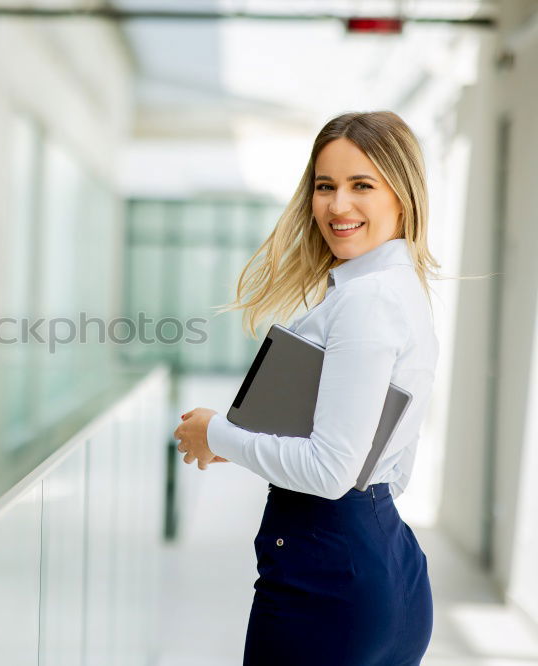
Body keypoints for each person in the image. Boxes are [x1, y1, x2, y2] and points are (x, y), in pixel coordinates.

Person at [172, 110, 441, 665]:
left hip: (328, 580)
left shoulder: (364, 302)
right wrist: (261, 444)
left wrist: (216, 435)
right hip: (386, 564)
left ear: (402, 195)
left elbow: (330, 472)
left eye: (361, 185)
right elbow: (391, 463)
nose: (337, 206)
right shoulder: (402, 289)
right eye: (325, 186)